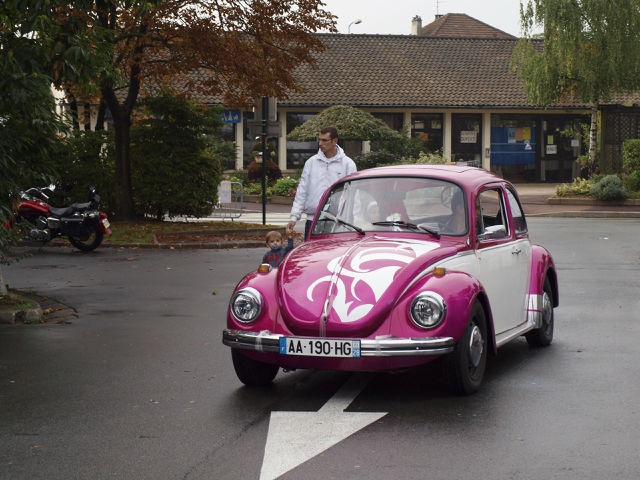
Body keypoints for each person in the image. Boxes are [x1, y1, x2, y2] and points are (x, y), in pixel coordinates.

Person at [287, 126, 357, 240]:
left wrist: (352, 221)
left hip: (338, 221)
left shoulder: (348, 164)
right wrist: (294, 217)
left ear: (335, 141)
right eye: (319, 139)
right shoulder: (311, 163)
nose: (320, 143)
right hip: (312, 220)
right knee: (311, 256)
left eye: (324, 140)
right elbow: (302, 191)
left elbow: (353, 195)